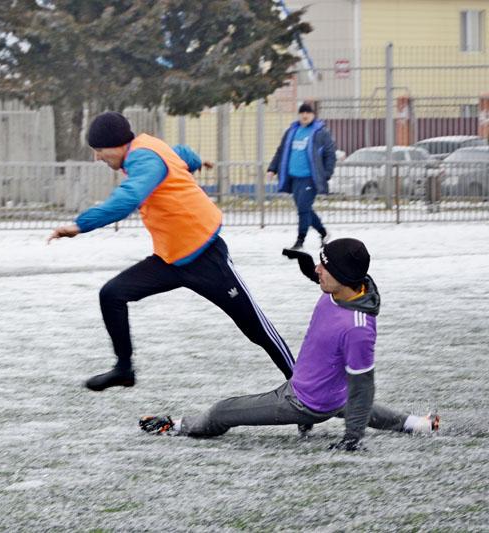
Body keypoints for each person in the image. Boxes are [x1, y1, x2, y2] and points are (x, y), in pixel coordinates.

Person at [48, 112, 295, 392]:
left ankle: (303, 386)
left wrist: (80, 225)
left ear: (116, 145)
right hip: (170, 259)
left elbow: (129, 197)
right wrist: (196, 161)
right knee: (112, 293)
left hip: (205, 256)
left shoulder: (144, 159)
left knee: (256, 328)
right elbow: (180, 153)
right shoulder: (148, 149)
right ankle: (124, 369)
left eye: (99, 151)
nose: (97, 158)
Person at [140, 238, 440, 451]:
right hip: (331, 395)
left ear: (343, 276)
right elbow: (329, 276)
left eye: (324, 267)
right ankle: (419, 424)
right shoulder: (348, 288)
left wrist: (352, 439)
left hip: (305, 401)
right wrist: (307, 264)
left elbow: (363, 388)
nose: (318, 272)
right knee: (357, 408)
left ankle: (175, 425)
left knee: (222, 411)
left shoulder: (357, 329)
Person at [267, 102, 337, 251]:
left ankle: (300, 240)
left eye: (308, 113)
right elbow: (281, 151)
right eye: (302, 112)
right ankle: (324, 233)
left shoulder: (320, 132)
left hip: (310, 178)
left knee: (303, 208)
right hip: (294, 177)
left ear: (313, 115)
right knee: (304, 209)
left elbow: (330, 154)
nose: (305, 115)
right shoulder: (292, 131)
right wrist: (272, 168)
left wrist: (326, 174)